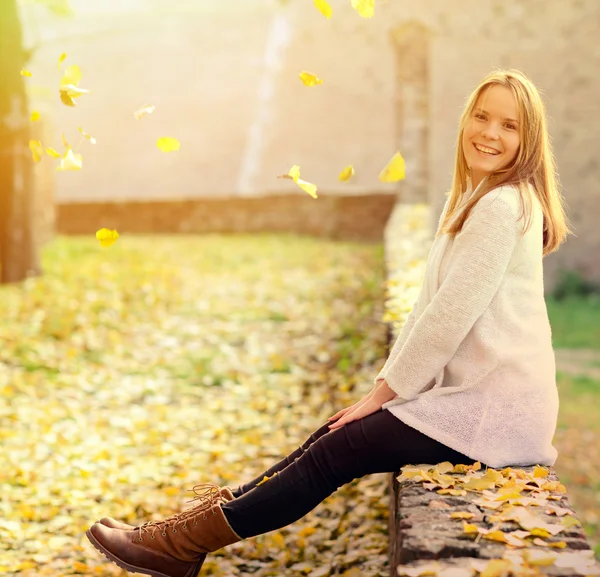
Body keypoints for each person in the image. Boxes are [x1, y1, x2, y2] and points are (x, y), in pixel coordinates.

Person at [85, 68, 573, 577]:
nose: (490, 133)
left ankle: (179, 544)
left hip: (492, 415)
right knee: (330, 434)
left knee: (338, 449)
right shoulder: (470, 199)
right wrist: (383, 389)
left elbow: (445, 322)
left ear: (529, 140)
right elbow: (428, 307)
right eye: (481, 116)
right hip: (472, 400)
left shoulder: (501, 206)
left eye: (509, 126)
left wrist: (382, 396)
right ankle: (179, 538)